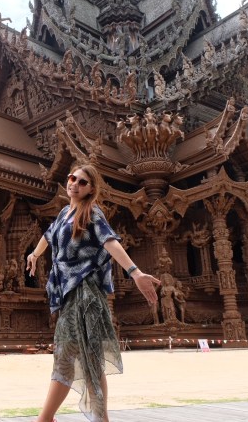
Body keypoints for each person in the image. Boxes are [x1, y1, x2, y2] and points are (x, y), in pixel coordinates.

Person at [26, 163, 160, 422]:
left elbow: (109, 242)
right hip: (69, 294)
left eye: (82, 182)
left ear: (91, 189)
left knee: (71, 354)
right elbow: (49, 235)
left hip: (85, 293)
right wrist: (34, 254)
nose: (74, 184)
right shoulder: (64, 212)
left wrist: (135, 272)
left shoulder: (92, 213)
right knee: (87, 358)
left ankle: (45, 418)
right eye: (72, 178)